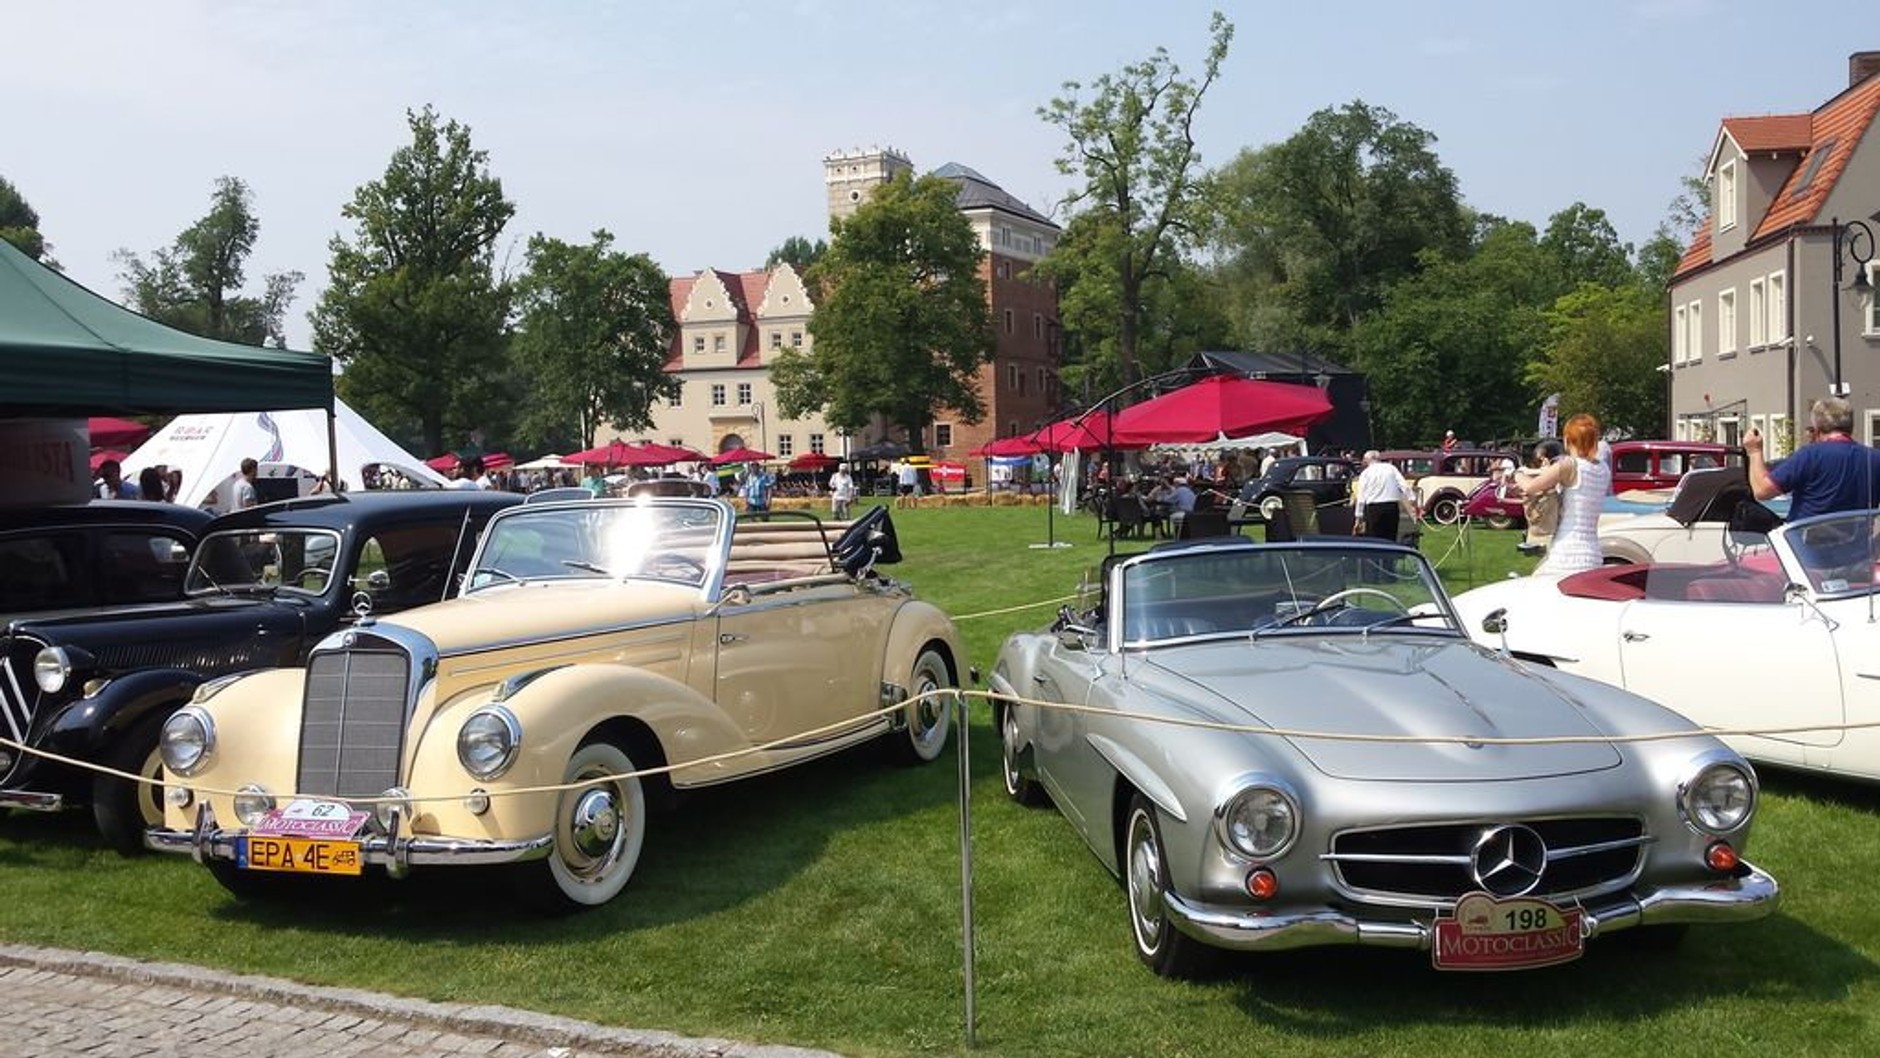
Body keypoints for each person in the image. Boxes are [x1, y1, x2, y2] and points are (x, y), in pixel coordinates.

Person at [1744, 397, 1880, 520]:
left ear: (1817, 428)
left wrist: (1754, 451)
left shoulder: (1810, 455)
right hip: (1858, 544)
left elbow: (1762, 491)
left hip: (1808, 544)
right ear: (1850, 425)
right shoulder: (1874, 458)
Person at [1506, 415, 1610, 575]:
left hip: (1566, 553)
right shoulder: (1603, 469)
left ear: (1568, 440)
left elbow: (1530, 487)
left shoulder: (1569, 465)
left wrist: (1516, 474)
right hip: (1593, 555)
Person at [1353, 450, 1414, 541]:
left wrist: (1359, 516)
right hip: (1391, 507)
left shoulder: (1365, 473)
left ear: (1367, 460)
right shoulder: (1391, 468)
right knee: (1391, 537)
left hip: (1374, 508)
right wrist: (1412, 498)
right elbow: (1403, 485)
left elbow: (1361, 497)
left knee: (1374, 538)